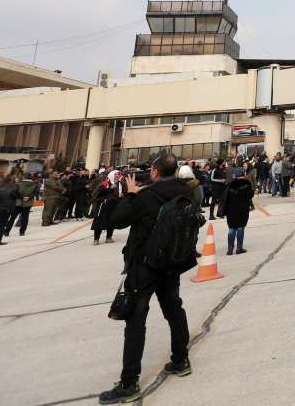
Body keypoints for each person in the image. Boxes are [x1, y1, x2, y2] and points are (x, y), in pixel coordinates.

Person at [99, 154, 196, 404]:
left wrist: (130, 194)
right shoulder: (187, 192)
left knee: (135, 321)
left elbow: (116, 221)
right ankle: (180, 359)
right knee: (174, 309)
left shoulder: (146, 196)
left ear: (154, 171)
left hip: (144, 266)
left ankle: (129, 383)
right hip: (172, 263)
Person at [223, 167, 254, 255]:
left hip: (231, 209)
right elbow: (251, 195)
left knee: (232, 228)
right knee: (240, 227)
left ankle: (230, 249)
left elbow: (225, 198)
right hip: (242, 208)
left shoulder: (229, 185)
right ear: (243, 174)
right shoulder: (246, 184)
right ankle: (239, 248)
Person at [91, 171, 126, 245]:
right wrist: (110, 188)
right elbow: (97, 194)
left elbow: (124, 192)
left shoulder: (120, 184)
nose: (117, 176)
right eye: (116, 174)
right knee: (99, 221)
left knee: (111, 221)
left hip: (114, 205)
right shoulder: (105, 183)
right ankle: (96, 239)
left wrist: (123, 195)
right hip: (104, 205)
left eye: (118, 174)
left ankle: (109, 237)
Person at [0, 176, 18, 246]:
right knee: (1, 226)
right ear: (11, 182)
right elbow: (18, 197)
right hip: (6, 210)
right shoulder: (13, 190)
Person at [10, 171, 38, 236]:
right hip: (28, 203)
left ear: (24, 176)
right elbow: (35, 193)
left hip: (19, 202)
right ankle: (22, 232)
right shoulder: (34, 184)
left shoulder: (18, 184)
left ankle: (7, 231)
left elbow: (14, 193)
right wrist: (28, 197)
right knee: (25, 217)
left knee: (13, 217)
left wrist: (22, 198)